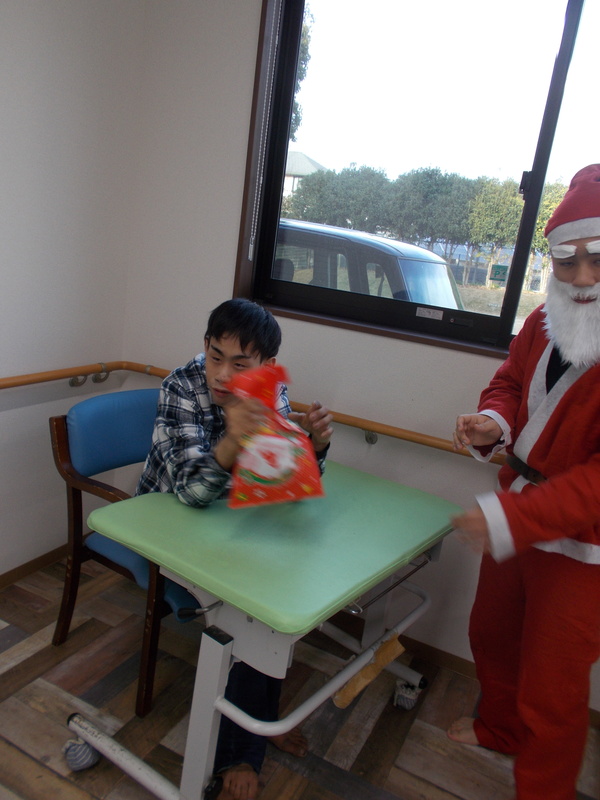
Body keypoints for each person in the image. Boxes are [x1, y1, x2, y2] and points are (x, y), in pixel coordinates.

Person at [137, 298, 333, 800]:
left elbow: (282, 478)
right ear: (205, 346)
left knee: (279, 589)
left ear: (267, 365)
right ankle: (242, 750)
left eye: (240, 364)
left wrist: (313, 446)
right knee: (250, 610)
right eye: (215, 356)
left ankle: (259, 720)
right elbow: (191, 493)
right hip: (166, 529)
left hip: (232, 526)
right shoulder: (181, 387)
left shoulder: (272, 390)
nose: (223, 374)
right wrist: (232, 441)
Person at [448, 164, 600, 800]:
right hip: (517, 509)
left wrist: (513, 520)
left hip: (583, 547)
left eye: (598, 259)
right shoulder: (542, 321)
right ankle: (500, 728)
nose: (582, 278)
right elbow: (511, 382)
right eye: (567, 261)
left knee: (554, 688)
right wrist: (495, 421)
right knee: (492, 633)